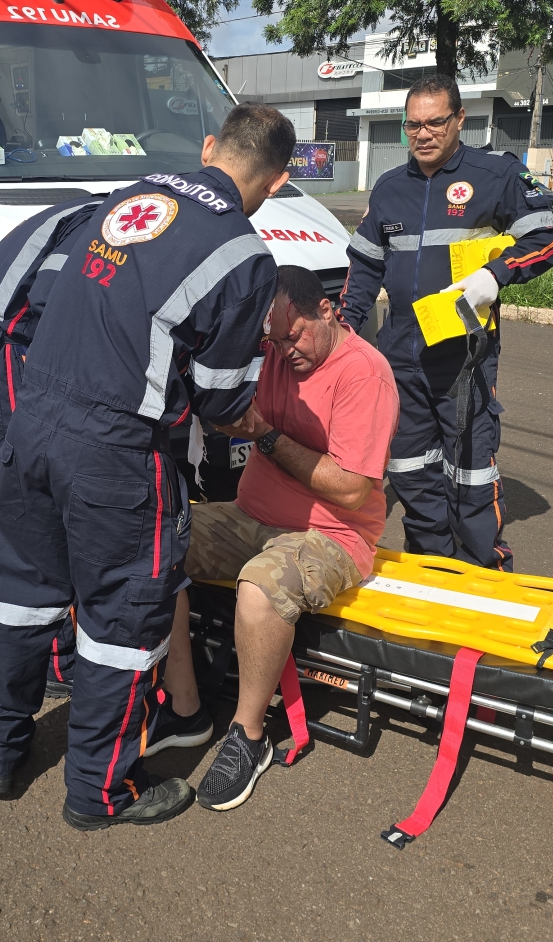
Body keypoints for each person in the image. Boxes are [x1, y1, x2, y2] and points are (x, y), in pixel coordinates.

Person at [0, 103, 295, 829]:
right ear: (274, 181)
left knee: (20, 597)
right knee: (122, 626)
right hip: (115, 454)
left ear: (210, 148)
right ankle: (99, 792)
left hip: (35, 418)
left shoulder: (131, 195)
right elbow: (217, 396)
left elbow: (60, 297)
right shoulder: (244, 257)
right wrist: (260, 422)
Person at [174, 265, 398, 810]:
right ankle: (180, 703)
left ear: (328, 310)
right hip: (251, 516)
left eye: (292, 335)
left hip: (333, 536)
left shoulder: (364, 373)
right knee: (157, 537)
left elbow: (349, 491)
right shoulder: (277, 352)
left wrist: (265, 436)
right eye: (272, 339)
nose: (283, 350)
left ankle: (249, 737)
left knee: (260, 586)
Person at [339, 74, 553, 571]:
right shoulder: (391, 188)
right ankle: (431, 565)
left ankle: (480, 569)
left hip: (465, 353)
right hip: (400, 352)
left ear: (459, 119)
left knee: (469, 473)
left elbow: (548, 238)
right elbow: (363, 270)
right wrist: (344, 333)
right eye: (412, 125)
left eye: (435, 122)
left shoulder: (494, 175)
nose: (423, 134)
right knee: (408, 468)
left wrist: (496, 275)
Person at [0, 194, 107, 690]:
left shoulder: (90, 209)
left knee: (1, 495)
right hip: (0, 349)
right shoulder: (100, 228)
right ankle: (55, 659)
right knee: (32, 505)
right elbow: (53, 303)